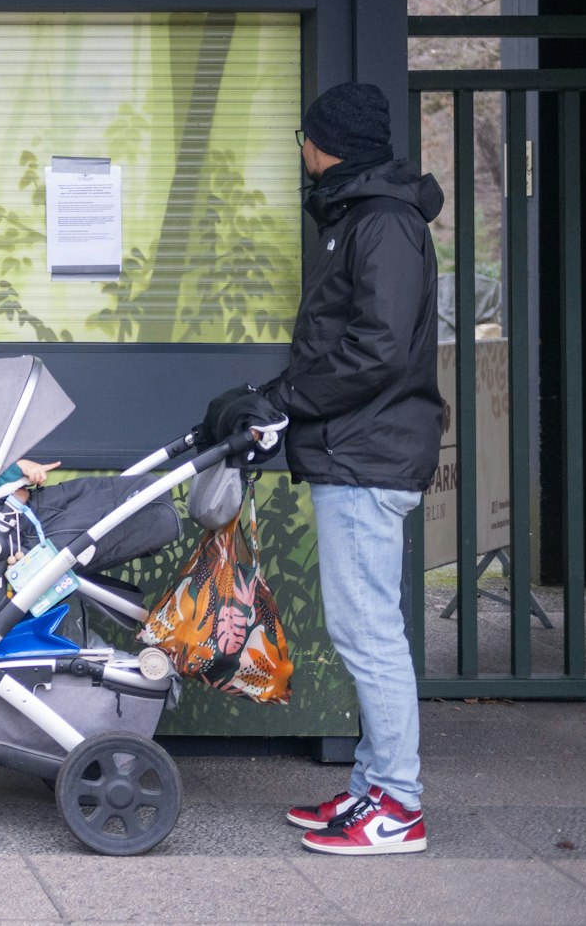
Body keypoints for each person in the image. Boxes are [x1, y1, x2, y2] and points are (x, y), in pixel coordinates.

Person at [221, 80, 444, 855]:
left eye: (304, 138)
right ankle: (371, 790)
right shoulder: (364, 216)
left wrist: (285, 396)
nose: (302, 151)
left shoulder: (381, 224)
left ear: (328, 144)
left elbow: (375, 349)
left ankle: (399, 803)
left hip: (367, 450)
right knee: (364, 626)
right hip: (356, 445)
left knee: (368, 630)